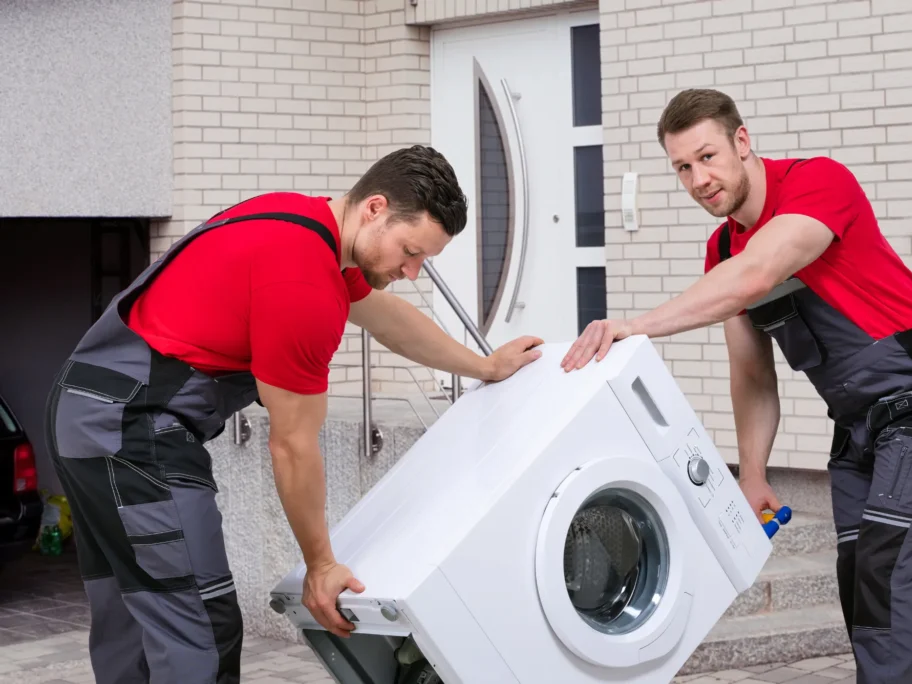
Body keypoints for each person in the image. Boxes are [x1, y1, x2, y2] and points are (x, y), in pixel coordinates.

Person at [43, 145, 543, 684]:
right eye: (411, 250)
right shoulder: (304, 284)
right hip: (134, 431)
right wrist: (321, 566)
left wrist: (484, 366)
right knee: (198, 626)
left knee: (134, 610)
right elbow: (293, 446)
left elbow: (387, 319)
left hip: (85, 410)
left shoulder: (298, 221)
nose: (414, 271)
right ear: (375, 208)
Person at [561, 89, 912, 684]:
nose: (699, 179)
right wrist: (752, 471)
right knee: (862, 578)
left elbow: (758, 274)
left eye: (708, 156)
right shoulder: (723, 250)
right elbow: (752, 372)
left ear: (742, 141)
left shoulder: (819, 185)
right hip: (860, 422)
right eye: (683, 167)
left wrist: (637, 325)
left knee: (885, 572)